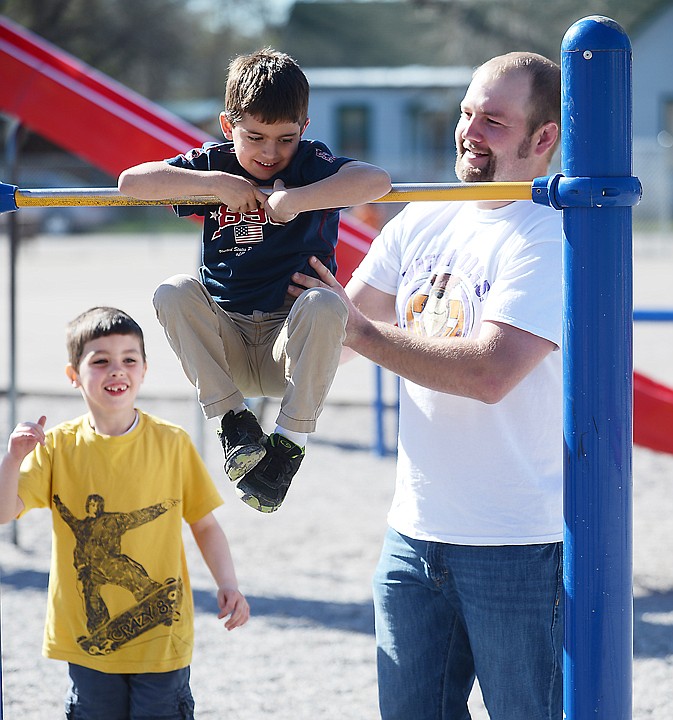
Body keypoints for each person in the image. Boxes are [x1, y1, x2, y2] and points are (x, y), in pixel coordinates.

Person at [290, 52, 563, 719]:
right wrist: (237, 318)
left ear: (542, 140)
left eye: (493, 121)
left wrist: (355, 331)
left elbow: (489, 371)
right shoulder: (422, 219)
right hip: (413, 536)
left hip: (519, 546)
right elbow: (335, 328)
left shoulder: (551, 234)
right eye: (467, 112)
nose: (469, 130)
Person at [117, 48, 391, 514]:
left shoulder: (309, 164)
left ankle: (289, 443)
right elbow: (131, 182)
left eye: (285, 138)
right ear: (228, 127)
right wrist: (219, 185)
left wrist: (300, 199)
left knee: (327, 303)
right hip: (230, 345)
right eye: (255, 137)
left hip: (291, 349)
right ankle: (234, 422)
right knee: (173, 291)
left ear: (304, 129)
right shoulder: (214, 162)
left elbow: (376, 181)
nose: (270, 153)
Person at [0, 307, 249, 719]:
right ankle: (102, 620)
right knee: (93, 592)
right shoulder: (58, 448)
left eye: (128, 360)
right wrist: (12, 460)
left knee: (130, 573)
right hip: (85, 639)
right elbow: (5, 511)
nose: (117, 370)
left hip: (162, 644)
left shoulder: (172, 443)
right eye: (100, 361)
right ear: (73, 375)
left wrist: (229, 583)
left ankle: (150, 595)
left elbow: (203, 522)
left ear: (144, 369)